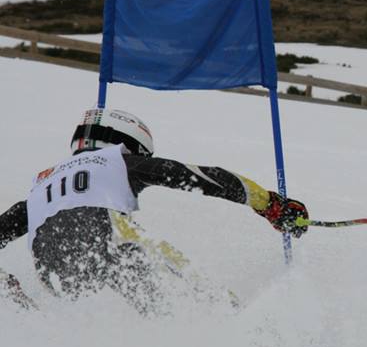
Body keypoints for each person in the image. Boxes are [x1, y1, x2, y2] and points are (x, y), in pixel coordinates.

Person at [0, 109, 310, 313]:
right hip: (108, 238)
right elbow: (202, 177)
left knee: (105, 319)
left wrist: (11, 290)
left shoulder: (40, 186)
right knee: (198, 292)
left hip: (49, 264)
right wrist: (269, 204)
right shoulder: (120, 161)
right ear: (129, 144)